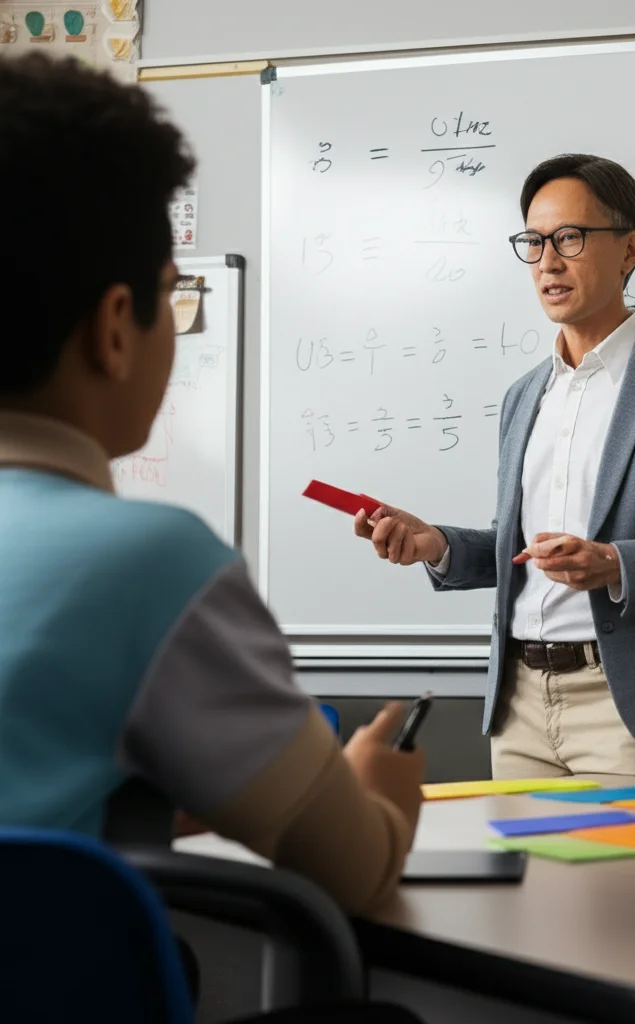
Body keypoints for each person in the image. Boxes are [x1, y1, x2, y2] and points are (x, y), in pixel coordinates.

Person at [0, 54, 423, 916]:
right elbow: (356, 868)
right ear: (116, 327)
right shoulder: (148, 564)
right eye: (173, 291)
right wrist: (380, 786)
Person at [355, 154, 635, 780]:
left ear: (630, 249)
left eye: (570, 238)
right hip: (519, 706)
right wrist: (436, 544)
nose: (548, 261)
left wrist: (617, 564)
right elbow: (519, 550)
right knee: (527, 880)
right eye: (534, 241)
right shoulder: (525, 395)